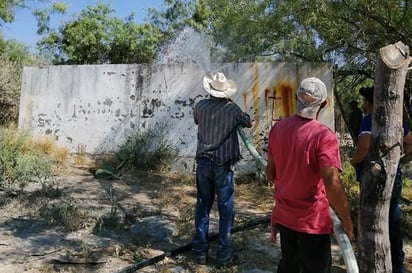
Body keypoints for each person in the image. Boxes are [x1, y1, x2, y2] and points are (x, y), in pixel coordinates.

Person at [266, 77, 353, 273]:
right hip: (312, 222)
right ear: (324, 104)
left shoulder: (277, 129)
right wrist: (346, 220)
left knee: (290, 265)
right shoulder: (324, 136)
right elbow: (332, 183)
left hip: (285, 218)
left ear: (297, 98)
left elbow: (270, 174)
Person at [192, 71, 252, 266]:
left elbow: (197, 121)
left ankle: (200, 252)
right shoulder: (232, 110)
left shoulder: (199, 106)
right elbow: (248, 121)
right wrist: (231, 103)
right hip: (222, 164)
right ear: (225, 92)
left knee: (203, 205)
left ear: (209, 90)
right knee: (225, 208)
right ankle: (224, 254)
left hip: (203, 163)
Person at [350, 86, 412, 273]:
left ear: (369, 103)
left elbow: (364, 147)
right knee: (393, 224)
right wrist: (397, 157)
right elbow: (410, 141)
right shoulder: (395, 120)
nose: (362, 105)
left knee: (373, 222)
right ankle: (397, 266)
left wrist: (354, 161)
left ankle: (374, 264)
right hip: (394, 177)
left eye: (364, 101)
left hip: (373, 180)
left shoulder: (369, 120)